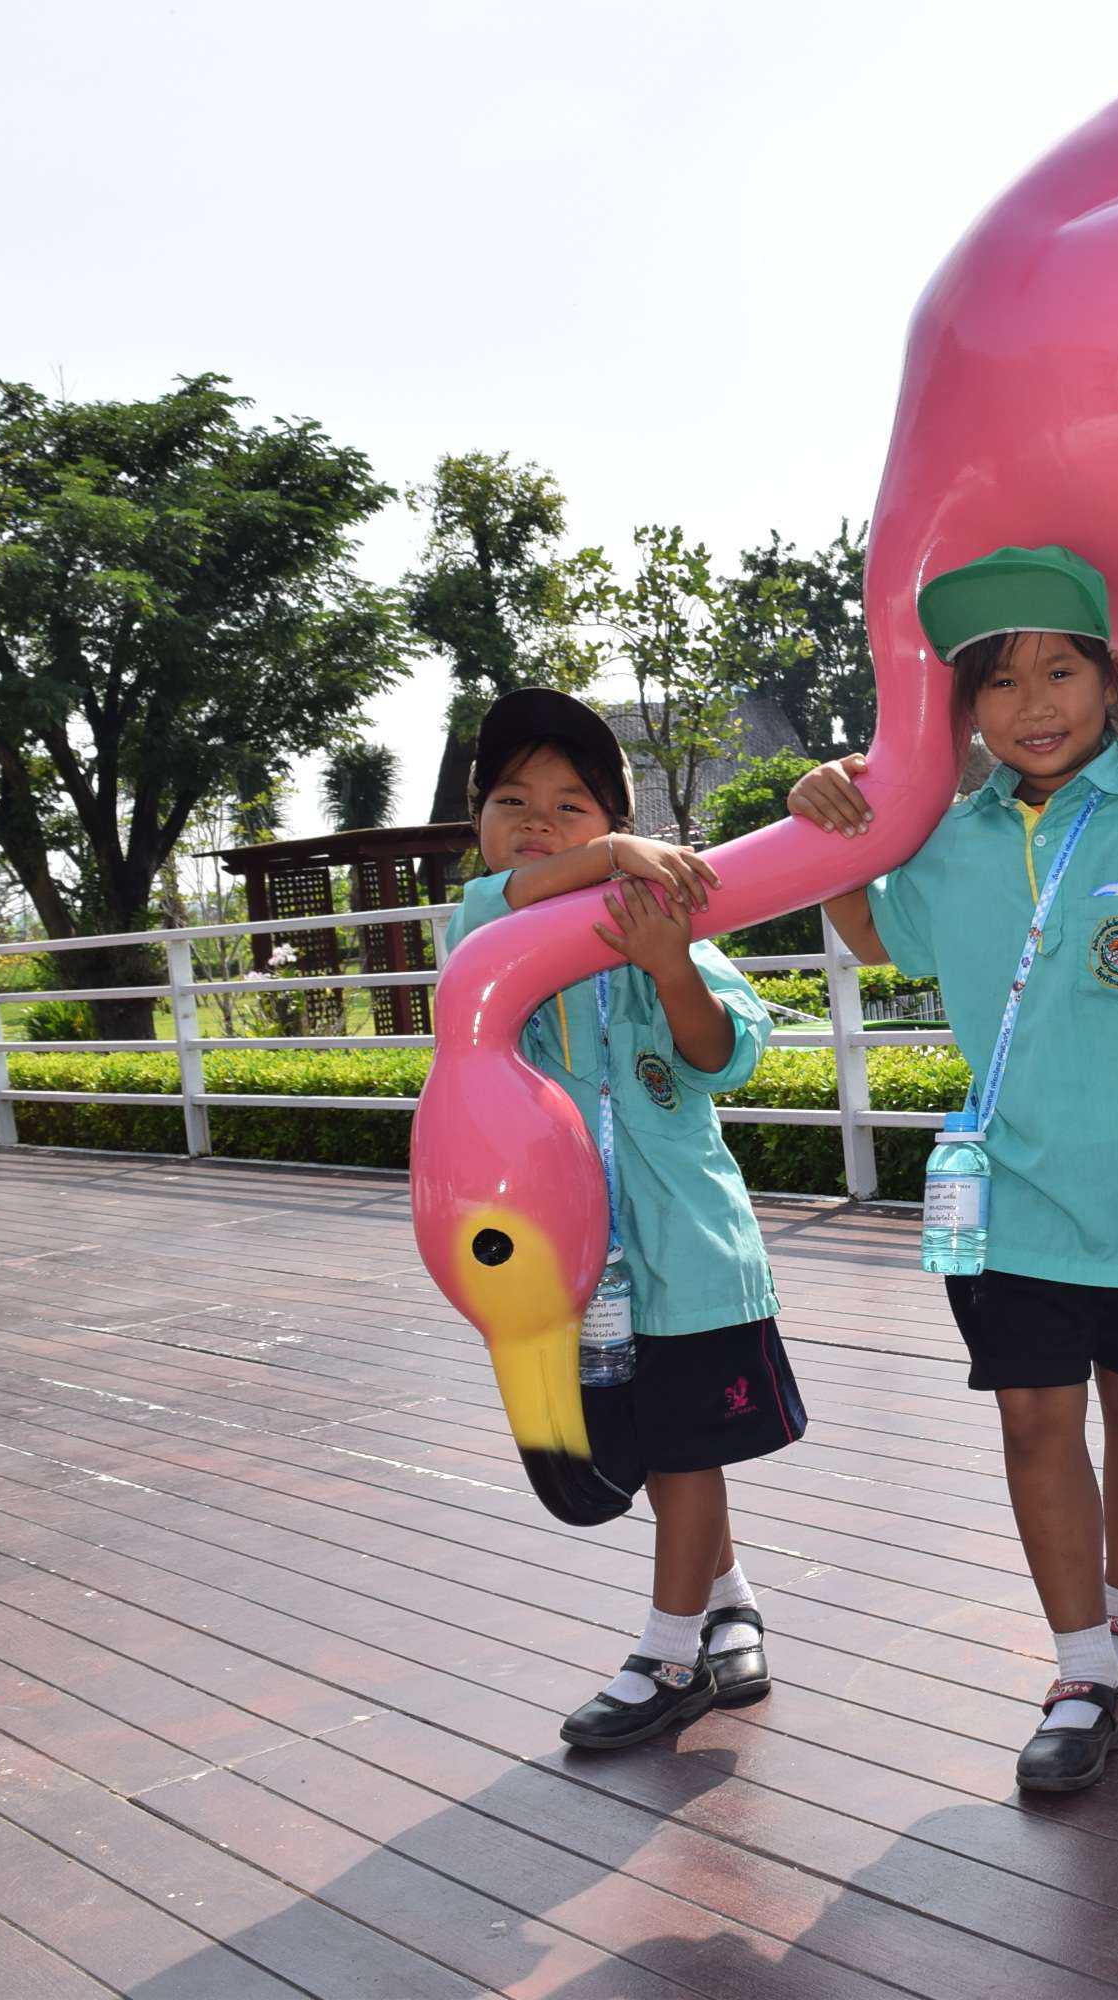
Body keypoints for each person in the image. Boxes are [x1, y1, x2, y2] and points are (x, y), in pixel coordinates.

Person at [789, 545, 1118, 1792]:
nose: (1033, 703)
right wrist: (833, 826)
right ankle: (1080, 1665)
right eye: (1000, 680)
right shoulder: (952, 832)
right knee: (1033, 1416)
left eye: (1060, 670)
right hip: (1011, 1190)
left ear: (1108, 677)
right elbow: (879, 933)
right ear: (965, 707)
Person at [447, 687, 806, 1748]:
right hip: (572, 1262)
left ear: (617, 817)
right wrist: (606, 857)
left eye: (572, 805)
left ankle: (666, 1655)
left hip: (687, 1252)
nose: (539, 822)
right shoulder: (485, 927)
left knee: (686, 1452)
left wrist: (669, 962)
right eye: (513, 801)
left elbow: (723, 1056)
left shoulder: (667, 925)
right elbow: (495, 908)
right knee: (657, 1450)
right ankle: (728, 1603)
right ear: (479, 823)